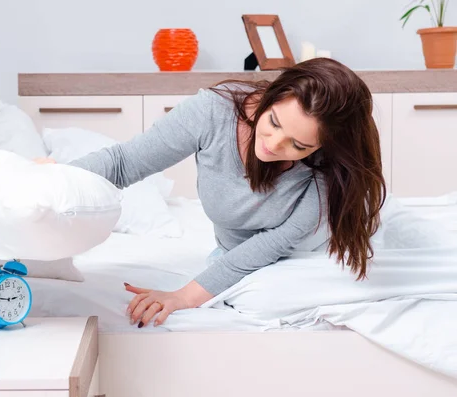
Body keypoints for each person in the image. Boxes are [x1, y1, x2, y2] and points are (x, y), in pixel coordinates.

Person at [36, 57, 386, 328]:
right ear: (272, 95)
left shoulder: (330, 167)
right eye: (274, 123)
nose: (274, 144)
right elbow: (125, 163)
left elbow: (272, 244)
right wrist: (62, 178)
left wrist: (183, 297)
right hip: (240, 253)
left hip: (313, 252)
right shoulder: (212, 112)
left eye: (298, 145)